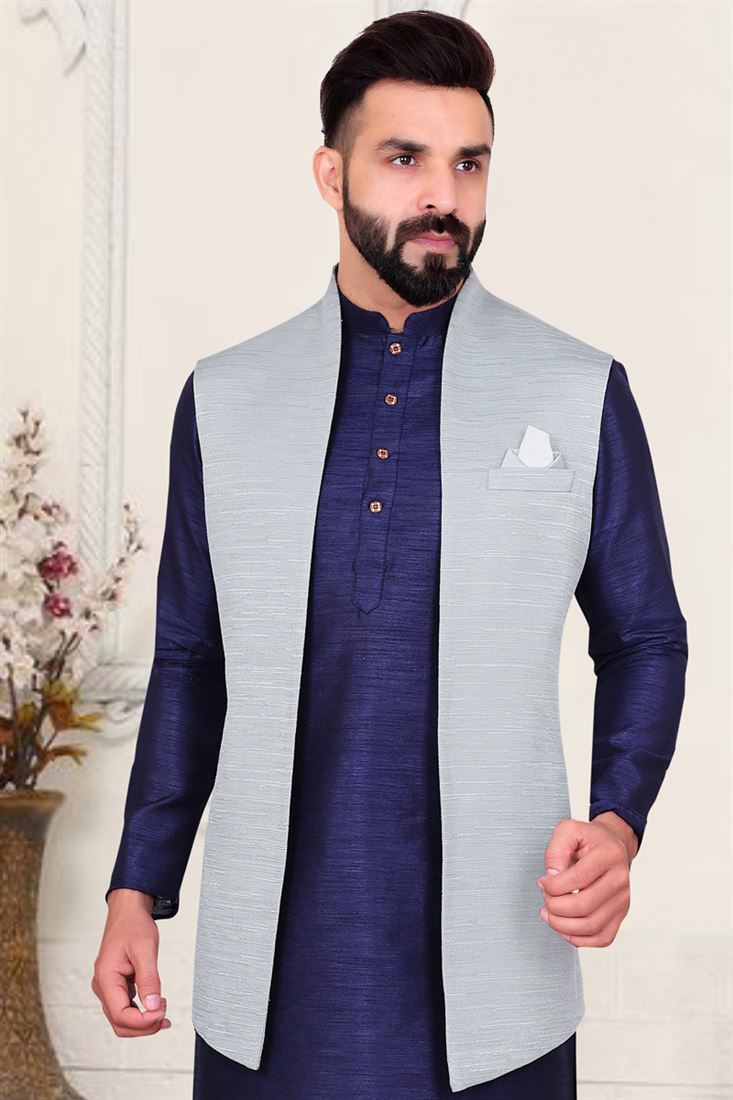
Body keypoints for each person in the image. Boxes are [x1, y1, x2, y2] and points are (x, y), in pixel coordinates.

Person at [91, 10, 688, 1098]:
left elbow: (645, 634)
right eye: (404, 159)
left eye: (469, 163)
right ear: (331, 174)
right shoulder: (226, 398)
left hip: (499, 986)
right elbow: (192, 659)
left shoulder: (577, 388)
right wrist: (137, 887)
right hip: (269, 984)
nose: (442, 196)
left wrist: (617, 820)